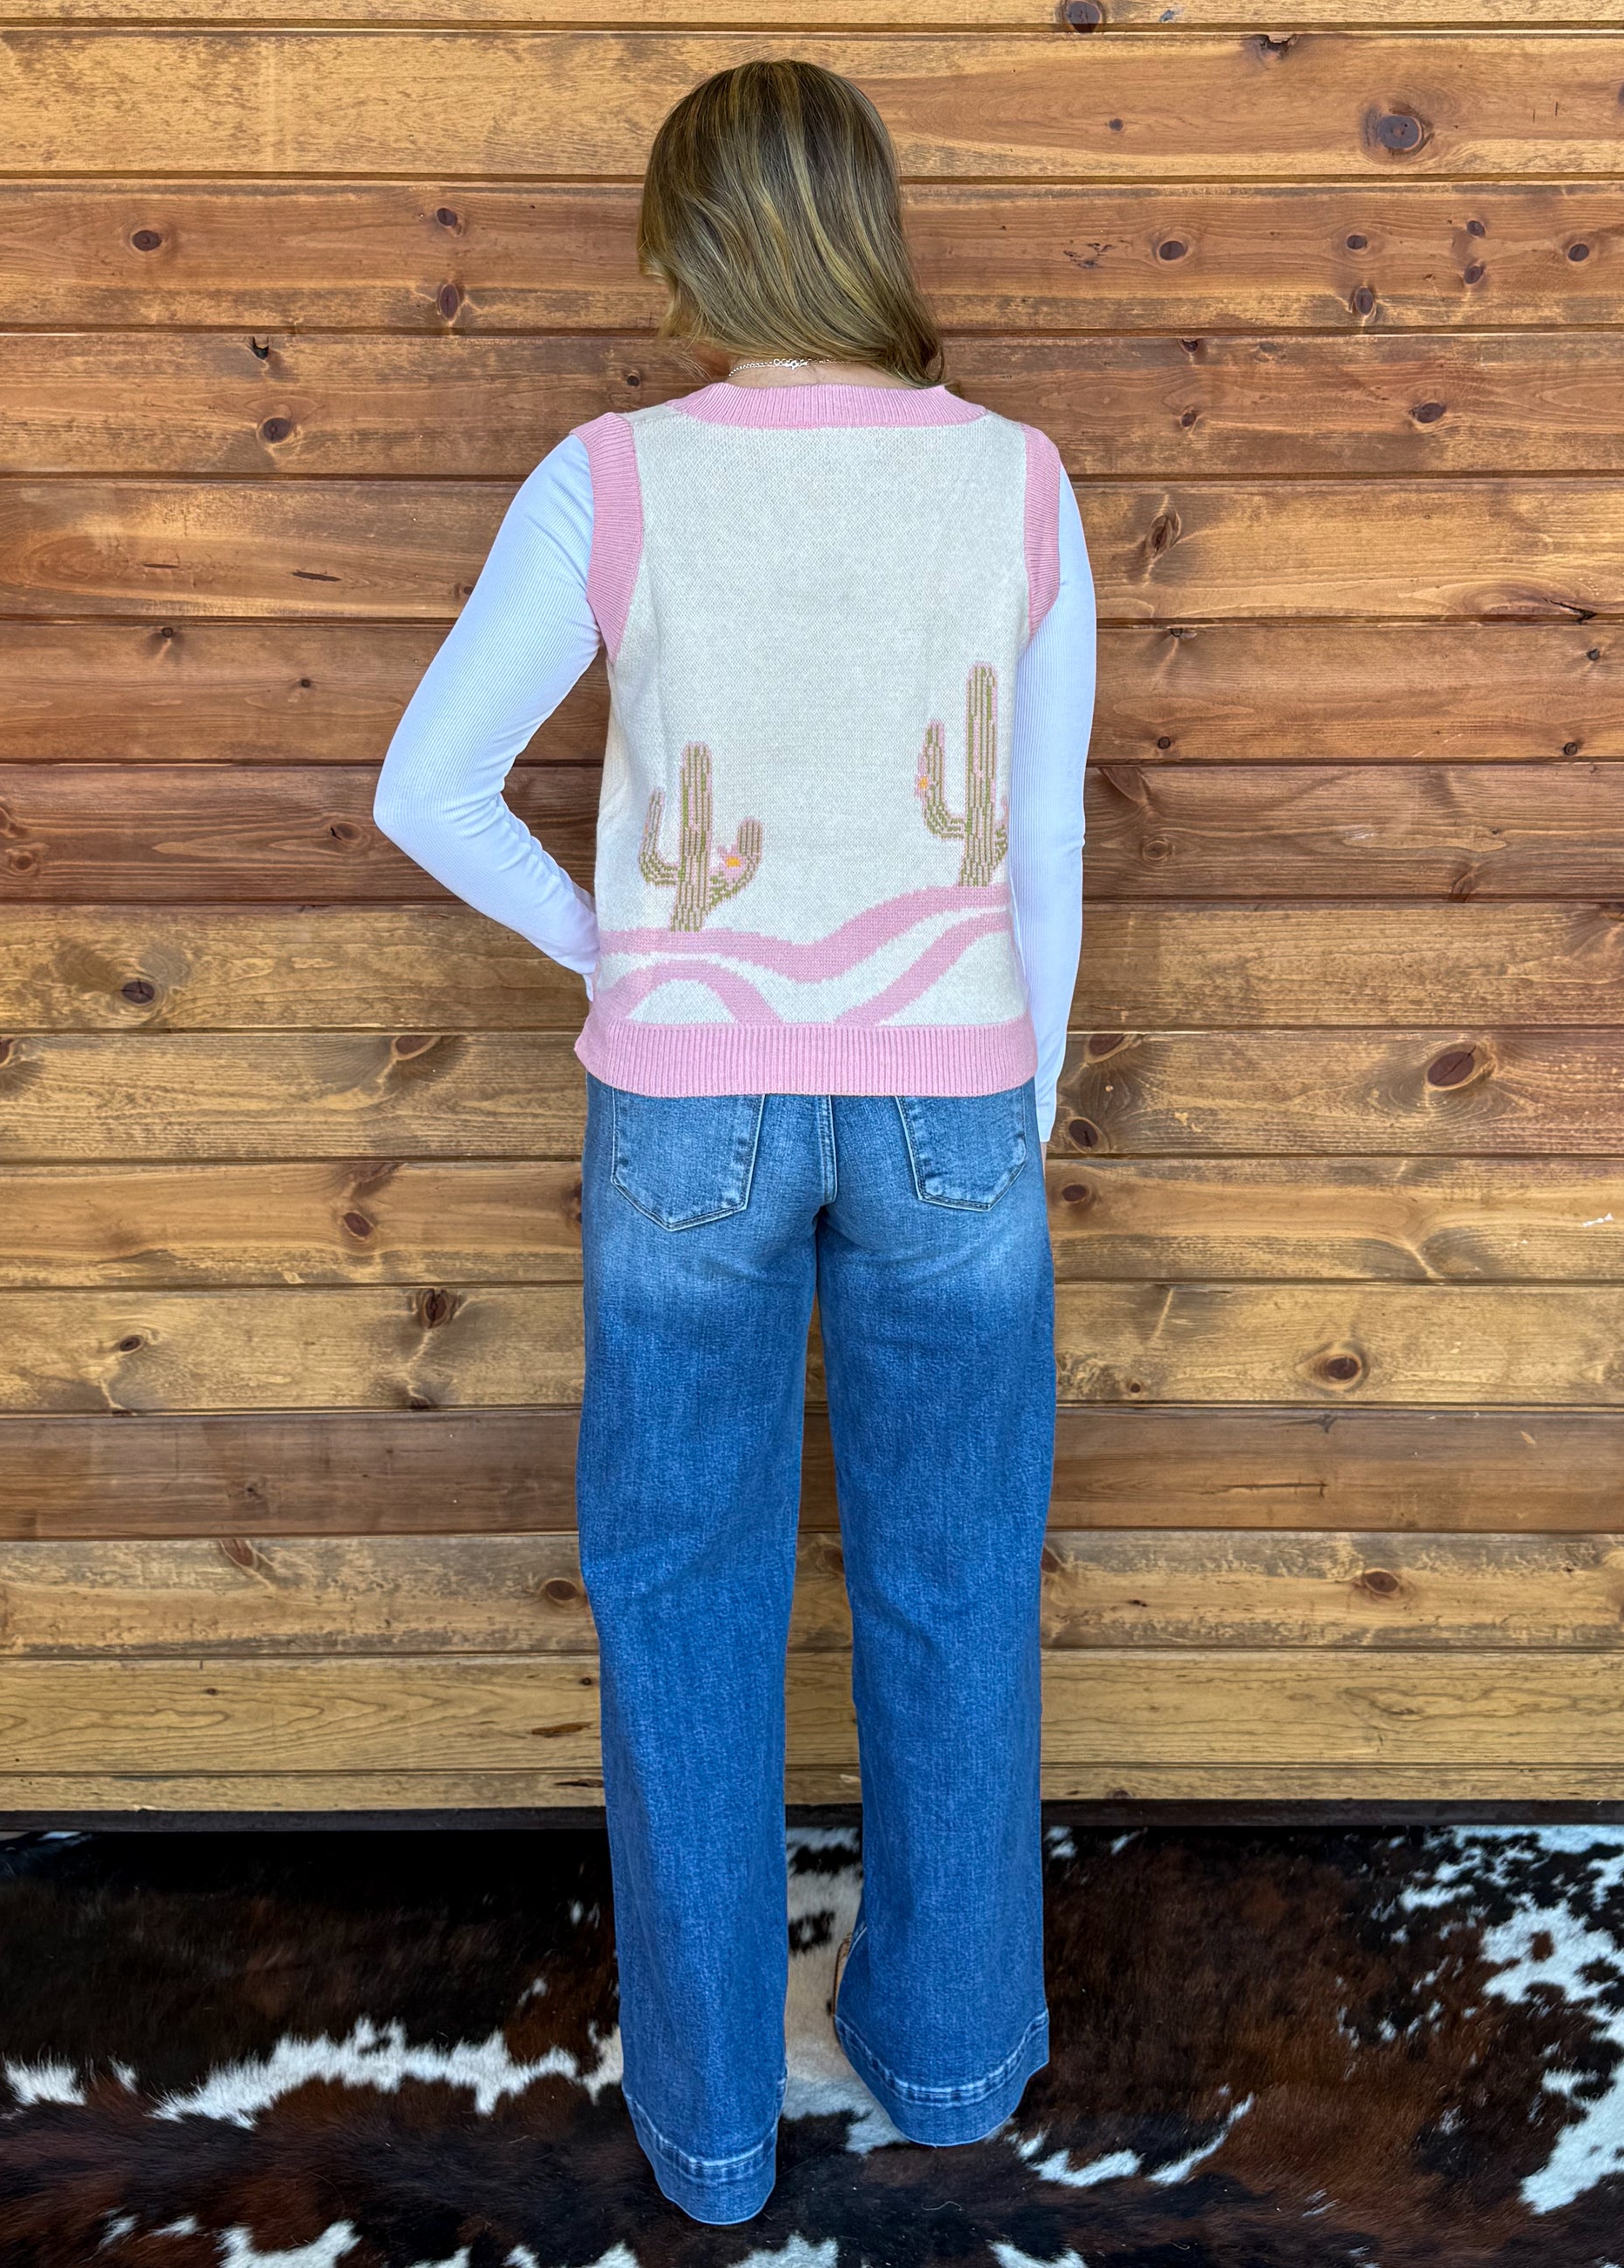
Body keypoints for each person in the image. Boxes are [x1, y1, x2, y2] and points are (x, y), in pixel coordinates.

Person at [372, 57, 1096, 2227]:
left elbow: (426, 788)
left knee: (680, 1594)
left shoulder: (613, 478)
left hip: (685, 1103)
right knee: (954, 1577)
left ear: (689, 244)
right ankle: (949, 2061)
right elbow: (1042, 832)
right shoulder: (1018, 480)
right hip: (954, 1089)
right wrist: (1019, 1091)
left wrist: (621, 948)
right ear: (866, 225)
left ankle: (706, 2129)